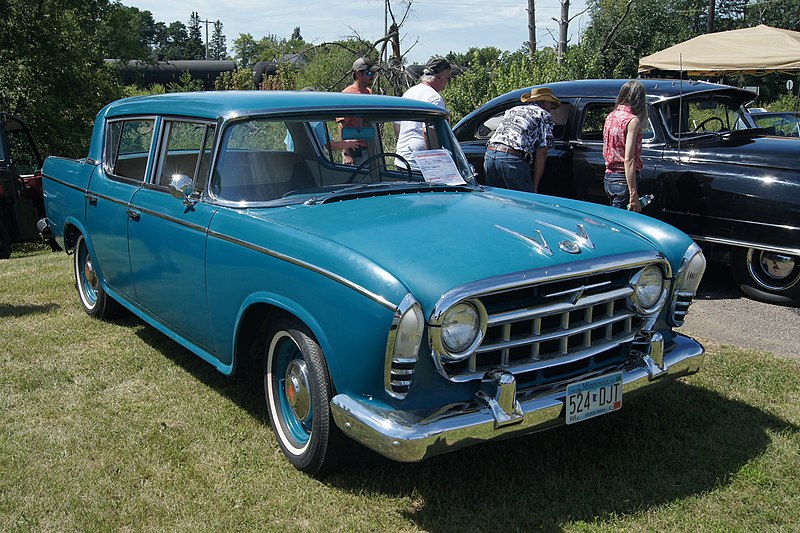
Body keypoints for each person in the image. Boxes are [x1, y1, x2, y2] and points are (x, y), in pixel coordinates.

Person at [483, 87, 560, 193]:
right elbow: (542, 152)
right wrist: (535, 187)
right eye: (551, 105)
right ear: (546, 103)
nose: (550, 108)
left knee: (497, 200)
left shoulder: (513, 110)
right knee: (525, 204)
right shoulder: (543, 114)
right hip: (511, 158)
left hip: (490, 155)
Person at [394, 57, 452, 169]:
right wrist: (436, 161)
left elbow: (397, 125)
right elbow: (429, 132)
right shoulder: (434, 98)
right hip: (420, 163)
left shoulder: (409, 93)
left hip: (402, 158)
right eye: (448, 77)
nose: (448, 82)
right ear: (440, 77)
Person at [602, 80, 647, 212]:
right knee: (620, 224)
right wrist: (634, 194)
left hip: (609, 176)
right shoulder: (632, 120)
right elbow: (628, 159)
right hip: (623, 178)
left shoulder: (611, 116)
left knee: (614, 218)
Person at [337, 58, 381, 164]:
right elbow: (342, 125)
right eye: (369, 73)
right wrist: (346, 152)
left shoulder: (369, 93)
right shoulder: (347, 95)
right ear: (358, 74)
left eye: (374, 73)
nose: (372, 76)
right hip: (356, 151)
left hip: (371, 148)